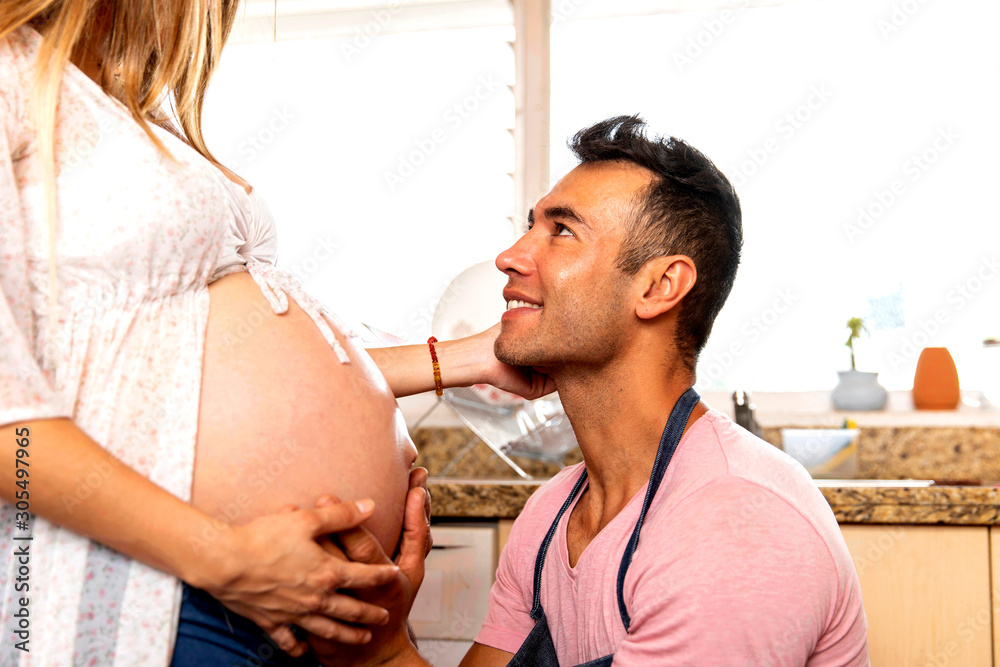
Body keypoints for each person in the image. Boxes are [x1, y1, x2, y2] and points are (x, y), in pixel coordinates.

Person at [0, 3, 551, 666]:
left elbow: (205, 365)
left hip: (279, 596)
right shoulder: (12, 74)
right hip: (169, 590)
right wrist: (224, 558)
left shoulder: (128, 108)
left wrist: (470, 358)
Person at [319, 116, 870, 666]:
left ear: (659, 286)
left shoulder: (734, 521)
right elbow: (296, 389)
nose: (509, 257)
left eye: (561, 231)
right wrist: (383, 647)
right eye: (531, 226)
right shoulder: (552, 515)